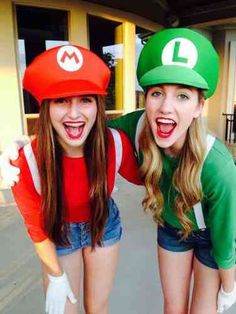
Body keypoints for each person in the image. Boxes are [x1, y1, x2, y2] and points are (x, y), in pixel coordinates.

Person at [2, 28, 236, 314]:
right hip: (92, 230)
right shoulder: (130, 130)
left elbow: (225, 234)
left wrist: (230, 285)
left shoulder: (215, 166)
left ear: (200, 105)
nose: (166, 108)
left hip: (185, 233)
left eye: (183, 97)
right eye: (157, 93)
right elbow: (37, 229)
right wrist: (24, 148)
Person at [0, 44, 141, 314]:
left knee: (97, 307)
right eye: (61, 100)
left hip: (103, 224)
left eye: (85, 99)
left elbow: (149, 176)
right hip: (57, 232)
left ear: (98, 106)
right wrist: (55, 275)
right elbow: (36, 228)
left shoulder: (114, 144)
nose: (74, 114)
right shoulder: (24, 162)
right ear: (46, 108)